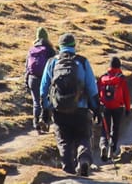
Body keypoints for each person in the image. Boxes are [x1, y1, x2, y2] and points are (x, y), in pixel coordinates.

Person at [40, 33, 100, 176]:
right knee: (83, 136)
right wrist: (96, 108)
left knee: (64, 141)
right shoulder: (82, 62)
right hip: (80, 108)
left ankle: (68, 171)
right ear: (74, 46)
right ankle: (84, 158)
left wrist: (46, 108)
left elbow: (43, 89)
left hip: (59, 110)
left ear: (59, 47)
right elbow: (92, 88)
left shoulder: (52, 62)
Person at [96, 56, 131, 161]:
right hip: (118, 107)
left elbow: (96, 93)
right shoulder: (121, 78)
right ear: (119, 66)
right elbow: (126, 95)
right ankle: (112, 150)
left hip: (105, 107)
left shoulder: (103, 78)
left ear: (109, 66)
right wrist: (128, 108)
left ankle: (103, 146)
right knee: (115, 129)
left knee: (104, 129)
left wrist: (96, 107)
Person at [24, 27, 55, 133]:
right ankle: (45, 121)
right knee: (48, 101)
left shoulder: (32, 50)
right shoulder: (50, 50)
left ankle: (36, 124)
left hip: (32, 79)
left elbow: (27, 67)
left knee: (36, 102)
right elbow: (54, 65)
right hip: (46, 79)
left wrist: (26, 80)